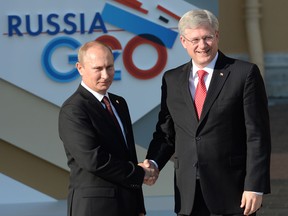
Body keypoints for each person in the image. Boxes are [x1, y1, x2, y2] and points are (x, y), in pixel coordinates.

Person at [143, 9, 271, 216]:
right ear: (184, 42)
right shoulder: (172, 80)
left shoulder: (244, 74)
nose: (202, 46)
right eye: (195, 40)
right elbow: (166, 133)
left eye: (207, 37)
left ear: (217, 36)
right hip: (188, 194)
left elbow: (257, 136)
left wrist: (255, 186)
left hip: (233, 193)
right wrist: (153, 163)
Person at [58, 40, 156, 216]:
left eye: (109, 67)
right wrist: (139, 173)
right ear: (80, 68)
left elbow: (128, 155)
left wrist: (138, 206)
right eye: (98, 69)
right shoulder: (73, 109)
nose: (105, 75)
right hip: (95, 209)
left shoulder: (119, 103)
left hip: (127, 207)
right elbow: (94, 160)